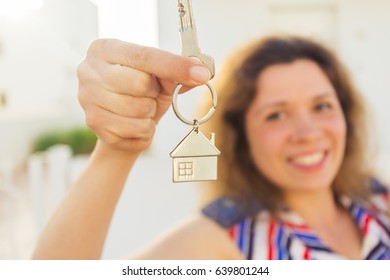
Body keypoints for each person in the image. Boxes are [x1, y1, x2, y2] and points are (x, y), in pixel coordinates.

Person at [32, 36, 390, 260]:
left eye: (322, 106)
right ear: (241, 135)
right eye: (276, 115)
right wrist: (117, 149)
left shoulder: (380, 202)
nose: (308, 132)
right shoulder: (221, 239)